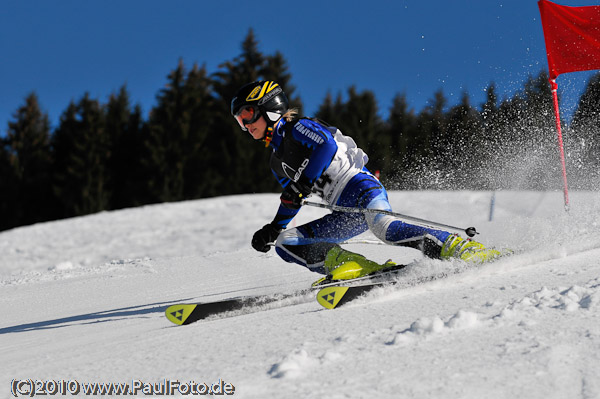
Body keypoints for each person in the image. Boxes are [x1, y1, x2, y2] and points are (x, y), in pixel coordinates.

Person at [231, 80, 500, 284]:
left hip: (359, 187)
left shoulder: (297, 127)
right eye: (240, 121)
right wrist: (273, 228)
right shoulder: (276, 162)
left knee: (386, 228)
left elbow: (324, 146)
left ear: (271, 107)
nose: (244, 125)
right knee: (287, 242)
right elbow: (293, 198)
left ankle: (460, 248)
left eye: (247, 115)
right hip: (344, 213)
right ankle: (356, 268)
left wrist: (301, 184)